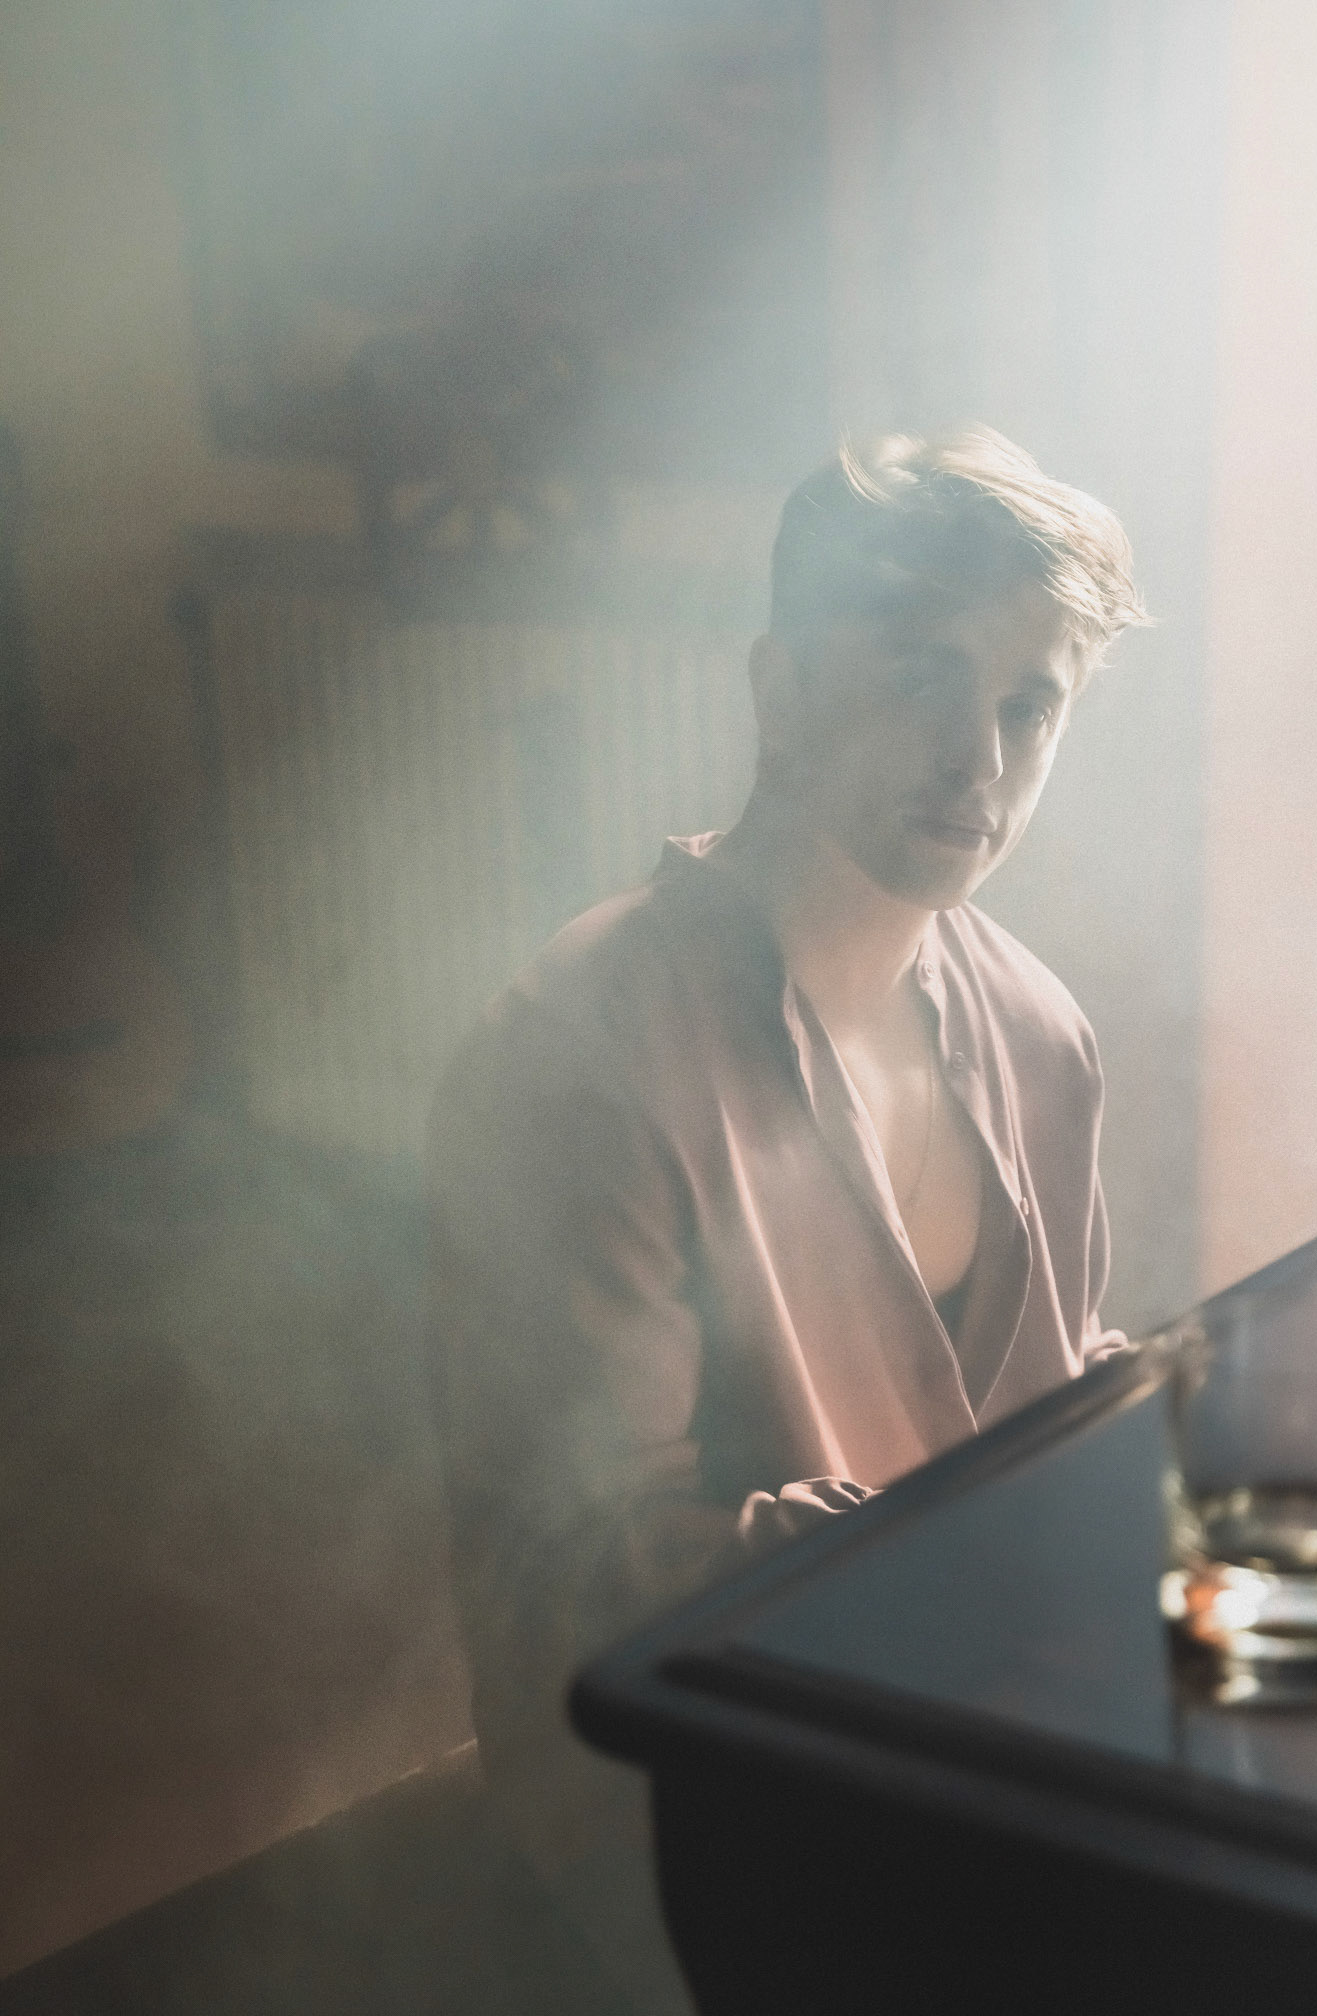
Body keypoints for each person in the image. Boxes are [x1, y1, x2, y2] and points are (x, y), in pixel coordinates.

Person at [426, 427, 1147, 2003]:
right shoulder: (580, 1053)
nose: (975, 757)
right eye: (918, 675)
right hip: (692, 1815)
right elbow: (581, 1581)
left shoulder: (1039, 1031)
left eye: (1026, 705)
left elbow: (1046, 1385)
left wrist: (1154, 1429)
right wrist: (987, 1543)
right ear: (781, 685)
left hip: (971, 1744)